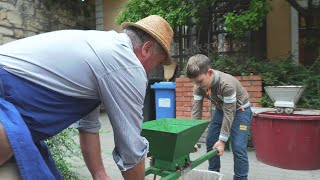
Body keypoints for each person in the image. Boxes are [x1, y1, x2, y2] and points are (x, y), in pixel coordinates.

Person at [0, 15, 173, 180]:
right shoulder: (126, 63)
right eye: (156, 63)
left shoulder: (102, 52)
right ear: (147, 48)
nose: (151, 72)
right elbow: (131, 149)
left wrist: (99, 175)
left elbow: (88, 126)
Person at [186, 54, 252, 180]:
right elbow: (196, 111)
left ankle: (241, 178)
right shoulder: (199, 86)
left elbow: (230, 113)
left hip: (240, 110)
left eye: (200, 81)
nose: (198, 86)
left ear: (210, 72)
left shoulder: (226, 84)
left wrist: (222, 141)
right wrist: (192, 139)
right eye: (195, 82)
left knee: (238, 146)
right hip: (221, 110)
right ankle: (213, 174)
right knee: (211, 142)